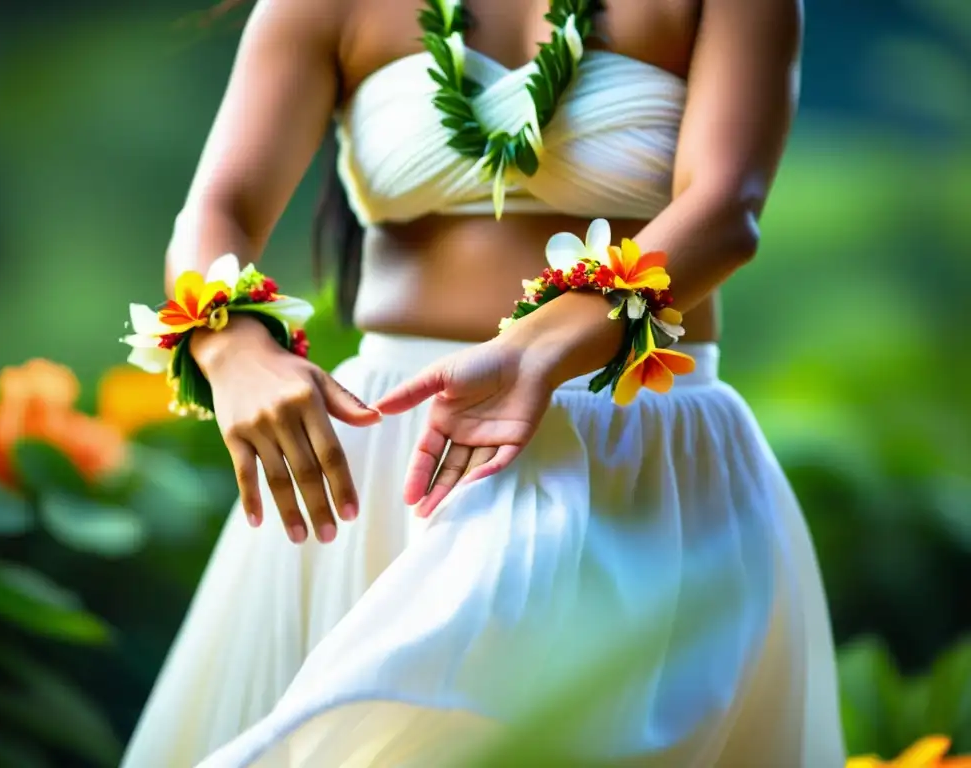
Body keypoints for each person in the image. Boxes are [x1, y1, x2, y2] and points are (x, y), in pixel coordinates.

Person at [121, 0, 846, 765]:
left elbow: (726, 208)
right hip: (391, 458)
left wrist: (534, 353)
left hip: (634, 448)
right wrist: (234, 350)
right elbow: (217, 209)